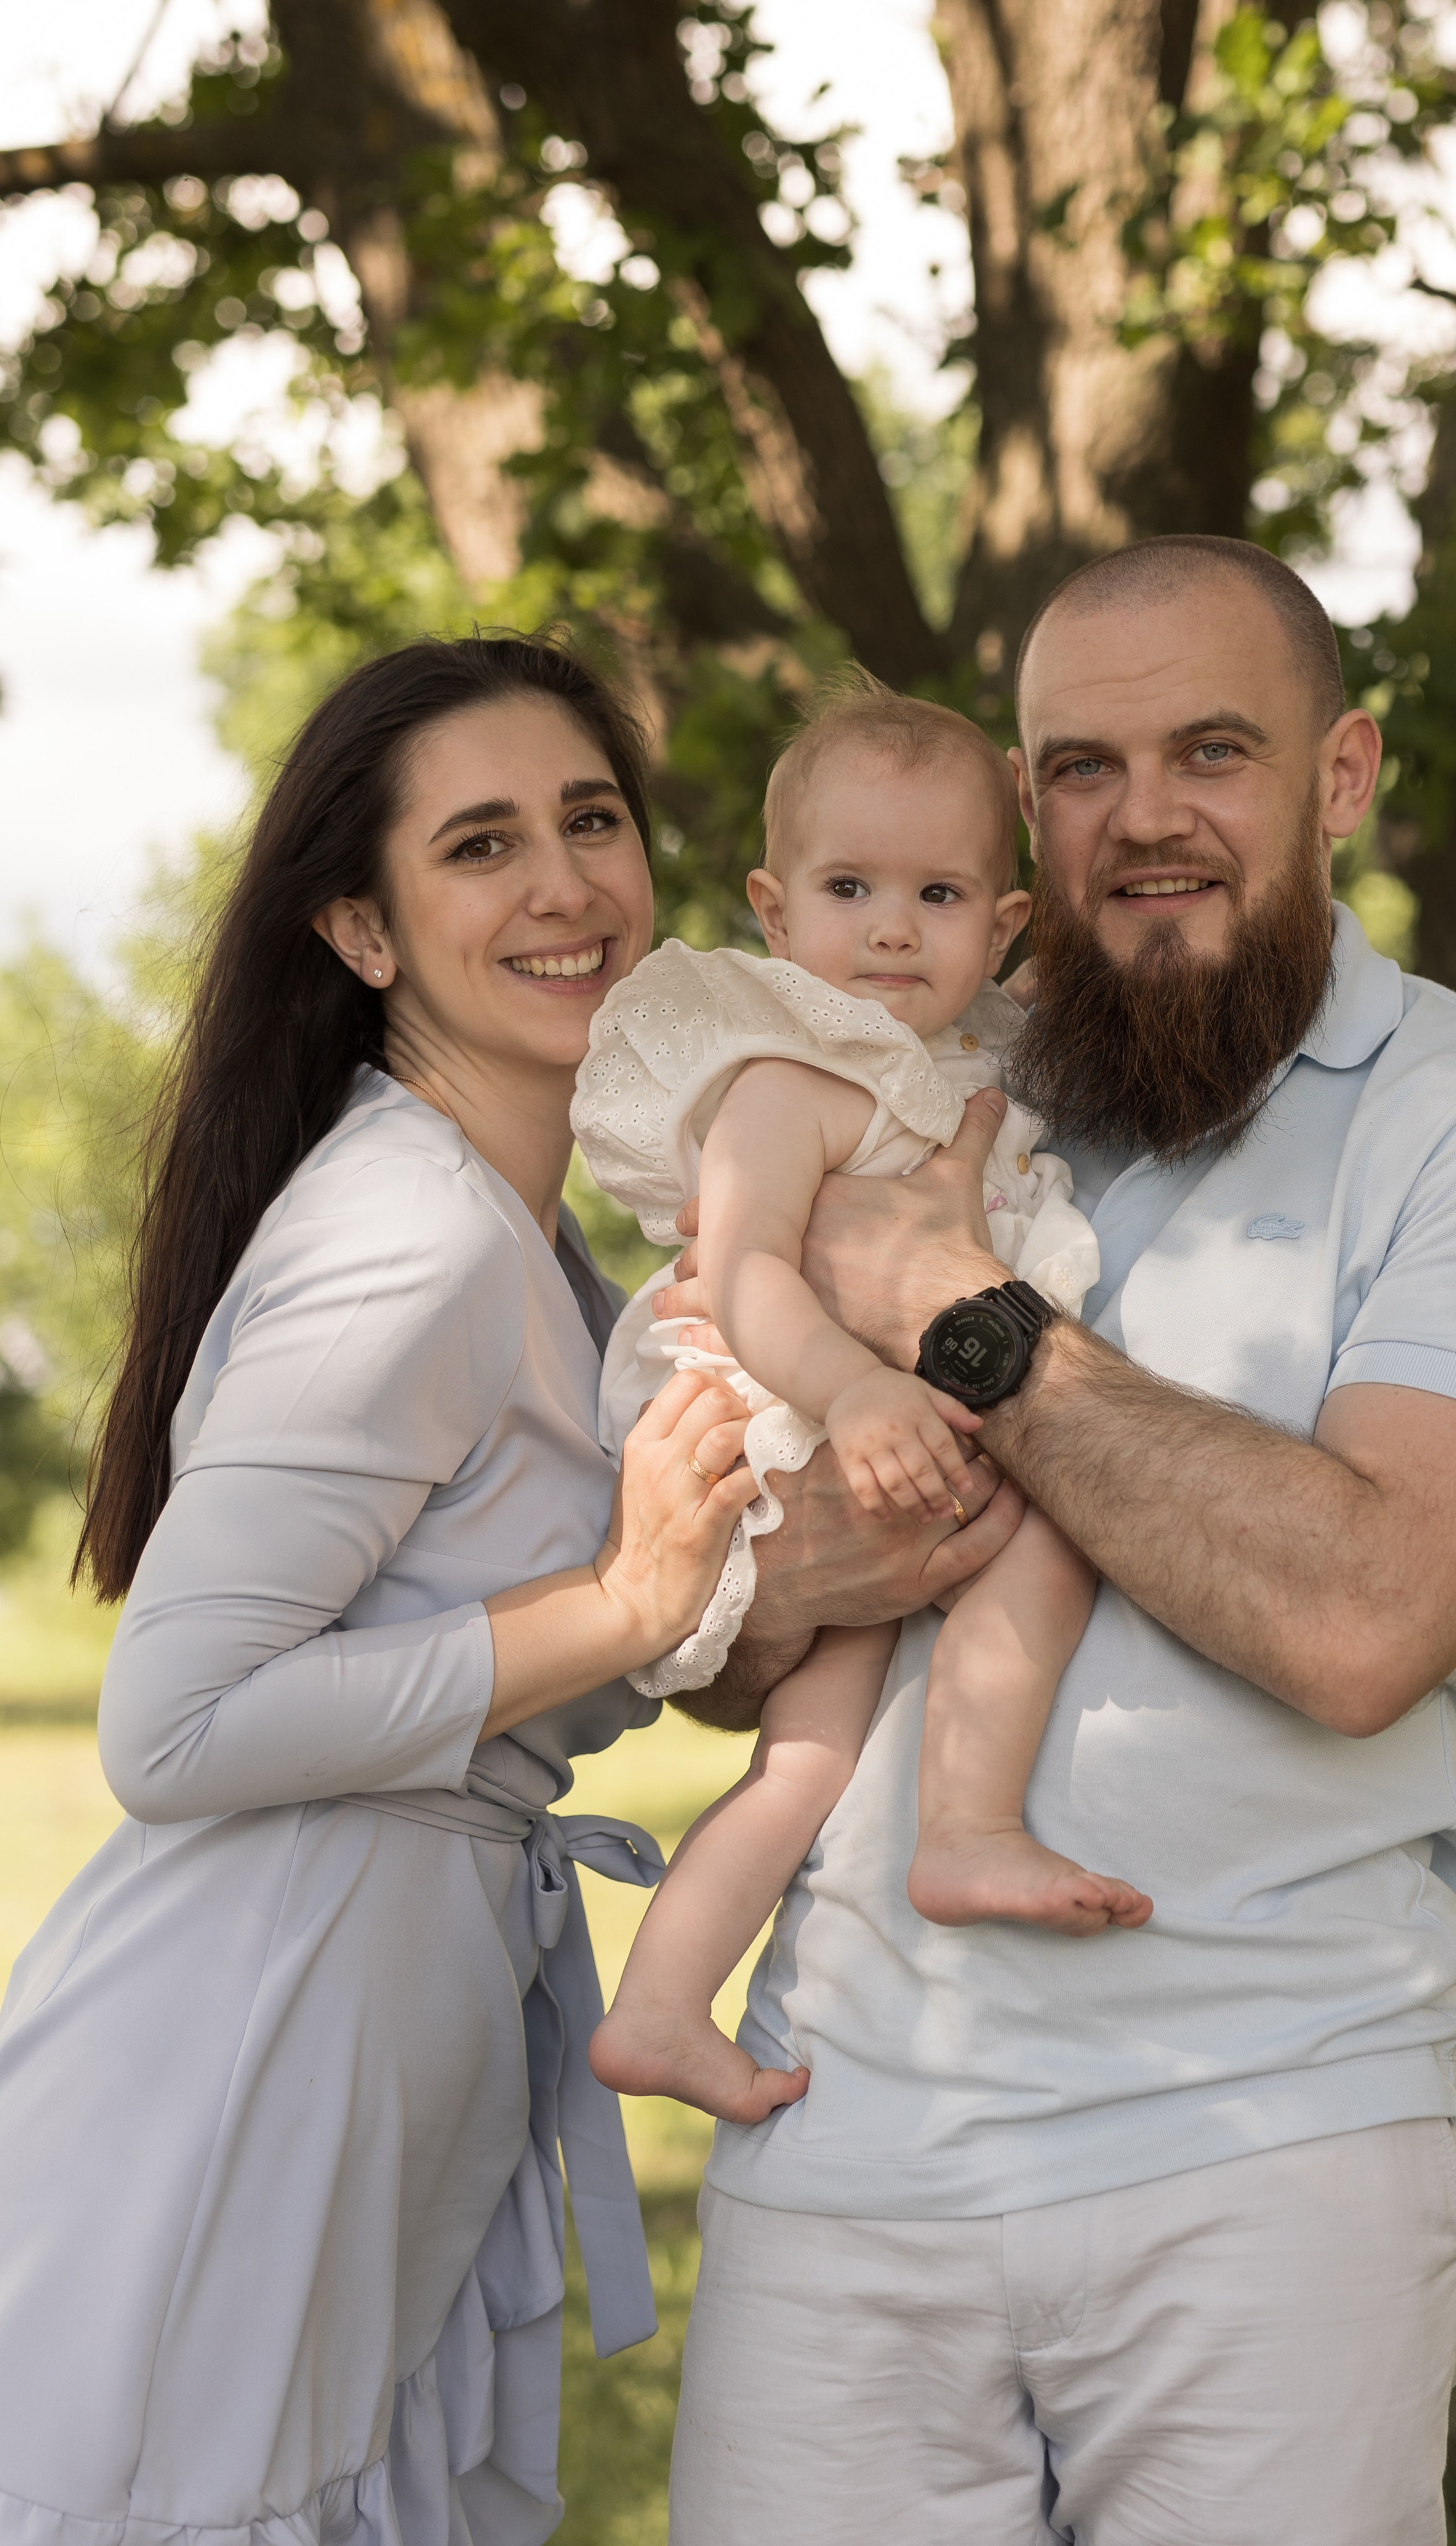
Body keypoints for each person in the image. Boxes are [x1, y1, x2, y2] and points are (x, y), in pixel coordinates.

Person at [657, 536, 1456, 2545]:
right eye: (1083, 768)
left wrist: (973, 1320)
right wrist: (767, 1578)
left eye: (1214, 751)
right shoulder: (922, 1079)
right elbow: (728, 1632)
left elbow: (1366, 1614)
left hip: (1269, 2155)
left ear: (1346, 774)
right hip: (839, 2138)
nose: (1147, 820)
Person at [0, 632, 781, 2546]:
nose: (564, 886)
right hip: (253, 2041)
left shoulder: (532, 1239)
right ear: (362, 931)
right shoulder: (410, 1234)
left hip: (387, 2002)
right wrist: (620, 1602)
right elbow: (174, 1727)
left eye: (592, 821)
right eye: (481, 847)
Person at [572, 674, 1145, 2130]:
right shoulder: (785, 1075)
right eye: (849, 887)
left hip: (888, 1416)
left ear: (1005, 925)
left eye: (939, 892)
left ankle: (659, 2003)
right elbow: (746, 1271)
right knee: (1052, 1529)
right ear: (774, 914)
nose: (891, 926)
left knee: (810, 1754)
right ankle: (965, 1823)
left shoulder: (979, 1072)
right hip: (800, 1410)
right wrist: (854, 1388)